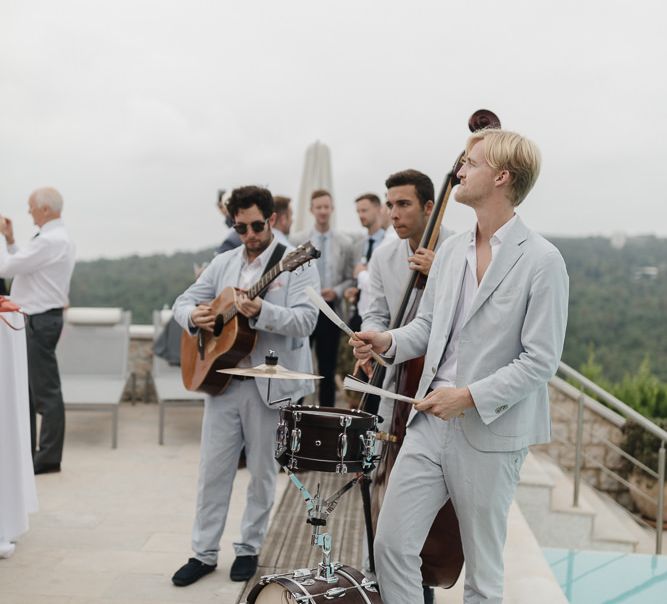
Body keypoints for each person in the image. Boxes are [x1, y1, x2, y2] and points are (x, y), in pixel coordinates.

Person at [351, 129, 569, 603]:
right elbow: (429, 327)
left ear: (501, 176)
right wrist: (385, 340)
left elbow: (540, 361)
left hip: (491, 430)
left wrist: (467, 396)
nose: (459, 171)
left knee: (483, 574)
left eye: (471, 163)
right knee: (389, 545)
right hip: (427, 420)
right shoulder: (449, 252)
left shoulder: (543, 261)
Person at [170, 186, 319, 587]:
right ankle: (202, 553)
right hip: (222, 379)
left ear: (272, 220)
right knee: (212, 469)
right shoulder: (224, 262)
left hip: (269, 383)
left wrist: (264, 312)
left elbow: (307, 322)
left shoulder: (296, 263)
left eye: (257, 225)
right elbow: (181, 303)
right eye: (241, 227)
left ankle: (249, 548)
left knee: (261, 471)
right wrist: (196, 317)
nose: (250, 235)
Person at [358, 170, 450, 604]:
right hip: (392, 391)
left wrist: (443, 275)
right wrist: (370, 342)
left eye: (404, 204)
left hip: (438, 397)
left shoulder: (458, 252)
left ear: (430, 207)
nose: (393, 213)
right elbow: (374, 313)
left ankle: (423, 584)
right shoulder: (383, 258)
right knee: (384, 498)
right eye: (389, 204)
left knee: (425, 515)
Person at [0, 187, 76, 475]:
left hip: (39, 320)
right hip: (44, 319)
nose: (28, 211)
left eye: (31, 207)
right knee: (34, 392)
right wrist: (10, 240)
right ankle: (34, 454)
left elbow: (5, 269)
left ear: (45, 209)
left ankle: (47, 458)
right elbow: (24, 264)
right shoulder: (56, 239)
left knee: (44, 393)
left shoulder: (50, 241)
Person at [290, 189, 354, 406]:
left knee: (328, 368)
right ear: (311, 210)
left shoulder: (345, 242)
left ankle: (326, 416)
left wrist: (335, 290)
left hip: (330, 311)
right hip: (305, 308)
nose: (323, 211)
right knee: (299, 365)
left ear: (332, 208)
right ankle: (295, 412)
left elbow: (350, 278)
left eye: (326, 207)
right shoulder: (298, 240)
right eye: (319, 207)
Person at [345, 193, 386, 332]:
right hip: (358, 313)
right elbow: (354, 279)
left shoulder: (389, 242)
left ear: (378, 209)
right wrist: (352, 290)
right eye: (358, 211)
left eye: (364, 210)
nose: (361, 215)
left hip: (381, 315)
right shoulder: (357, 246)